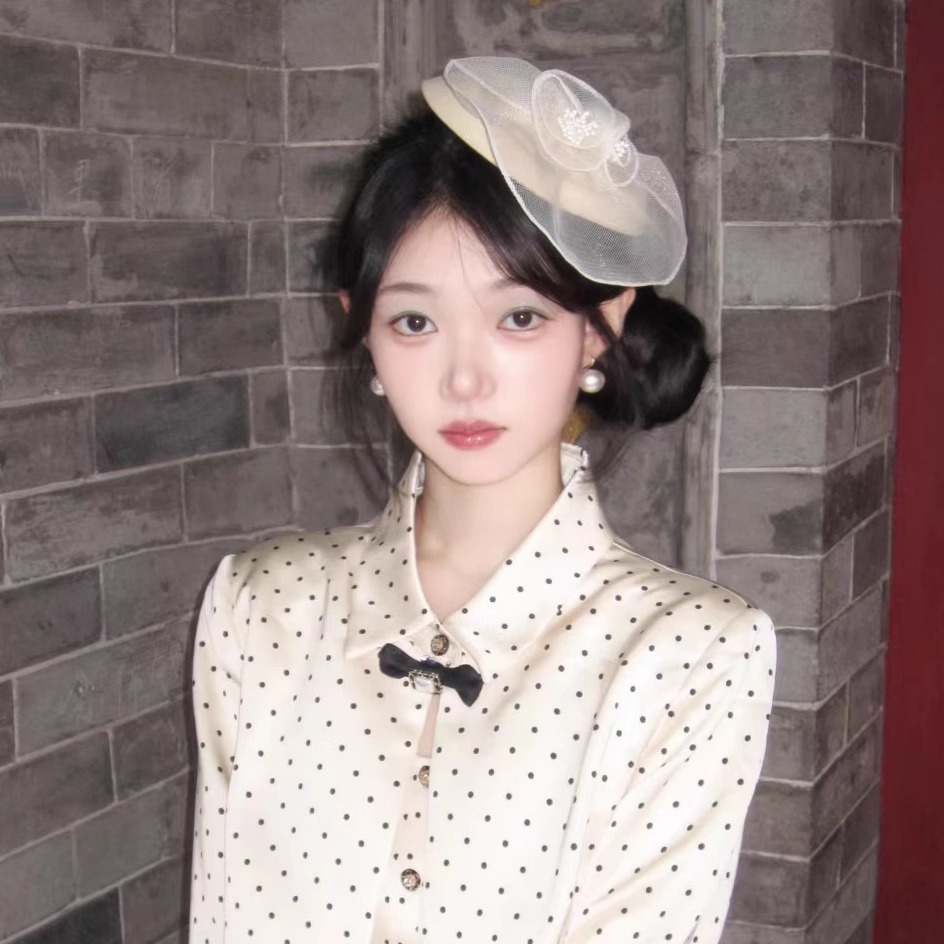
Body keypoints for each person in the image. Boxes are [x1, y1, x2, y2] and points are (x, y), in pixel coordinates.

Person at [189, 57, 776, 944]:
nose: (464, 379)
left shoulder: (691, 655)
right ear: (362, 327)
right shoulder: (261, 605)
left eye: (519, 317)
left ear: (603, 324)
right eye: (415, 321)